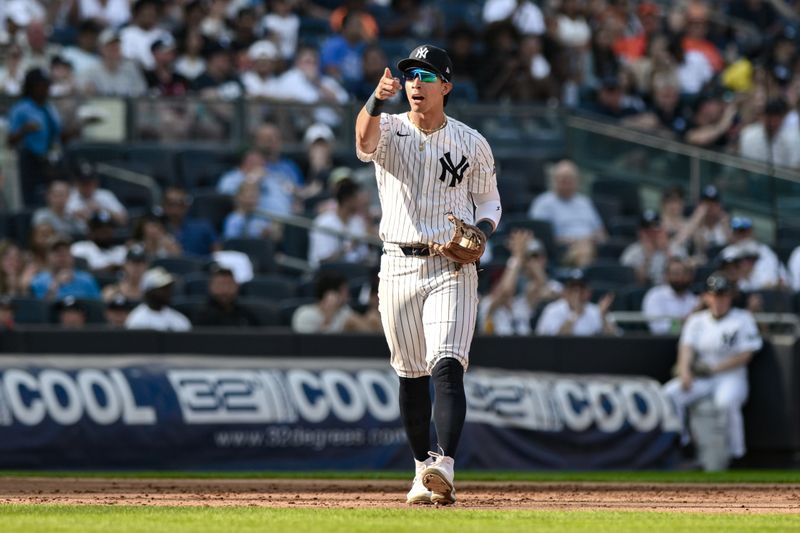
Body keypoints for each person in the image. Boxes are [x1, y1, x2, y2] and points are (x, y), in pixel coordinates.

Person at [355, 44, 502, 506]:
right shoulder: (390, 126)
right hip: (396, 262)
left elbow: (490, 202)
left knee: (446, 364)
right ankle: (423, 470)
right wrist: (375, 100)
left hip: (451, 265)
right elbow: (362, 141)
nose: (416, 82)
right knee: (411, 375)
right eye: (411, 74)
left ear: (447, 86)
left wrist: (480, 232)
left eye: (427, 74)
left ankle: (445, 466)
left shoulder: (471, 141)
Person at [663, 273, 763, 462]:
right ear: (707, 297)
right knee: (670, 394)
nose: (719, 300)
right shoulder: (696, 320)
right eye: (715, 295)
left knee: (726, 402)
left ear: (730, 297)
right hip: (702, 377)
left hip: (731, 376)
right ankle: (683, 443)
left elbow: (746, 354)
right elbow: (686, 348)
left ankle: (737, 453)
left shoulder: (742, 319)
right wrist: (684, 372)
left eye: (723, 295)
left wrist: (714, 369)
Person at [479, 230, 561, 335]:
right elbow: (505, 292)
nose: (503, 285)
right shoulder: (488, 304)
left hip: (523, 349)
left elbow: (541, 285)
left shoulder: (520, 304)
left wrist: (526, 256)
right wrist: (516, 256)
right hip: (495, 349)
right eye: (499, 283)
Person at [528, 160, 606, 267]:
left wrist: (590, 239)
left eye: (571, 179)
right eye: (563, 179)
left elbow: (602, 233)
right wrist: (572, 241)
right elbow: (539, 237)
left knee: (586, 249)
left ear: (578, 180)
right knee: (584, 251)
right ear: (554, 180)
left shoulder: (585, 202)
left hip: (591, 247)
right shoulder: (543, 203)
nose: (567, 183)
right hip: (562, 252)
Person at [6, 68, 63, 206]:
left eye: (47, 86)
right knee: (30, 199)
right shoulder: (20, 109)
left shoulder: (50, 108)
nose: (45, 89)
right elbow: (10, 140)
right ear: (32, 87)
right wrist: (24, 129)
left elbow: (58, 133)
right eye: (41, 86)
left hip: (50, 159)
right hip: (29, 159)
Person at [308, 179, 372, 268]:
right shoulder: (323, 222)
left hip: (354, 272)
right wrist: (348, 248)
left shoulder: (357, 221)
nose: (362, 201)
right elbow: (323, 261)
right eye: (358, 197)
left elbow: (364, 256)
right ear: (347, 199)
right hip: (326, 276)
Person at [291, 271, 380, 333]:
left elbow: (368, 332)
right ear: (331, 294)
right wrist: (328, 315)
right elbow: (312, 345)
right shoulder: (304, 314)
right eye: (345, 291)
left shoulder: (344, 311)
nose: (348, 296)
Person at [535, 269, 617, 336]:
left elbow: (615, 339)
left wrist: (603, 317)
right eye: (573, 289)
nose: (577, 294)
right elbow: (555, 342)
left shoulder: (597, 311)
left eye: (581, 289)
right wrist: (575, 313)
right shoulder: (552, 310)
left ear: (589, 292)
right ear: (565, 292)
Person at [620, 209, 686, 285]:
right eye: (647, 231)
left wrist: (666, 251)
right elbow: (638, 283)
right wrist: (648, 257)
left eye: (655, 230)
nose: (652, 235)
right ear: (640, 232)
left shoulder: (674, 249)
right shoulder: (632, 253)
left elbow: (681, 279)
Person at [80, 28, 147, 97]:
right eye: (110, 46)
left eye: (117, 45)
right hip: (101, 106)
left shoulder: (131, 69)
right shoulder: (91, 71)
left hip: (127, 106)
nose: (114, 48)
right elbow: (82, 90)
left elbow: (141, 93)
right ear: (101, 49)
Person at [29, 237, 101, 301]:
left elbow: (98, 307)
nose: (62, 256)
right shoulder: (38, 281)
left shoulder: (86, 280)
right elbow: (40, 310)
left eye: (65, 252)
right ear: (47, 257)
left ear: (72, 257)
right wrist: (55, 285)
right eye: (57, 253)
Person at [642, 257, 699, 335]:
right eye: (676, 273)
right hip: (661, 343)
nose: (680, 277)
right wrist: (684, 322)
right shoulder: (655, 296)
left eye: (684, 273)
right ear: (667, 276)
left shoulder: (693, 299)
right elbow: (659, 328)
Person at [125, 266, 191, 331]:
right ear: (149, 292)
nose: (168, 292)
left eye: (168, 287)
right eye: (162, 289)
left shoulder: (180, 320)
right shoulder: (136, 320)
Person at [193, 265, 260, 327]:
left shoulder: (246, 315)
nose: (225, 290)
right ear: (210, 287)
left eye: (229, 284)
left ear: (237, 286)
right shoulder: (201, 317)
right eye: (220, 285)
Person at [162, 186, 219, 257]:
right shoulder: (156, 230)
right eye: (170, 204)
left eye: (180, 204)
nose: (175, 209)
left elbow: (218, 255)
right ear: (163, 206)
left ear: (187, 206)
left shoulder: (203, 227)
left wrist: (181, 254)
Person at [65, 160, 128, 227]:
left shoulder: (105, 195)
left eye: (89, 183)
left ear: (96, 182)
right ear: (76, 183)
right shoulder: (68, 197)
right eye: (83, 183)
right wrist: (76, 214)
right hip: (76, 235)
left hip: (104, 235)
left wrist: (101, 210)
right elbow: (61, 221)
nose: (87, 187)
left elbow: (123, 220)